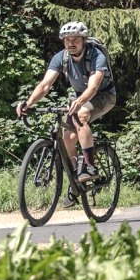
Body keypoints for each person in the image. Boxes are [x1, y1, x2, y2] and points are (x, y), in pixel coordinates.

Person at [17, 21, 116, 201]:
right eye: (67, 40)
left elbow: (93, 87)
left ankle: (89, 166)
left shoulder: (96, 56)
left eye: (75, 39)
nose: (71, 43)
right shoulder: (60, 58)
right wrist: (28, 103)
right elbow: (45, 85)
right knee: (67, 136)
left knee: (82, 115)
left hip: (104, 96)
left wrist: (79, 101)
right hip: (80, 96)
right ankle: (75, 182)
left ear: (83, 40)